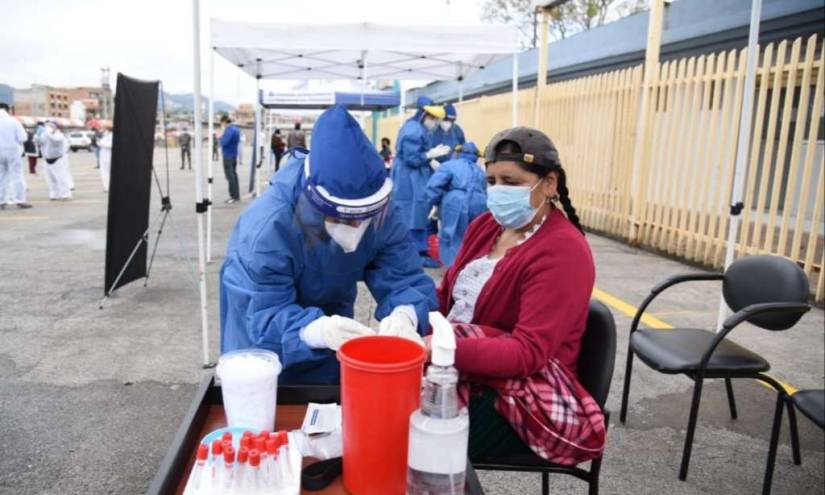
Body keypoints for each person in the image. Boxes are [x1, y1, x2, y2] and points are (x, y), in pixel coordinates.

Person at [220, 105, 436, 385]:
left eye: (364, 218)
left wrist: (406, 312)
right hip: (264, 349)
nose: (355, 228)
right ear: (315, 204)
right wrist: (314, 330)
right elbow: (261, 312)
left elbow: (403, 277)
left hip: (332, 330)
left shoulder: (382, 211)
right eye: (342, 218)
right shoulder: (267, 229)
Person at [432, 127, 604, 464]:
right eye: (492, 181)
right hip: (464, 366)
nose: (498, 192)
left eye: (511, 182)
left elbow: (527, 354)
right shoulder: (486, 226)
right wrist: (407, 317)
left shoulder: (563, 251)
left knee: (408, 435)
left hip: (518, 396)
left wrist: (441, 347)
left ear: (550, 184)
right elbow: (446, 297)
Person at [392, 96, 451, 268]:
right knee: (414, 213)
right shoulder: (413, 130)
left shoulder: (416, 127)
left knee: (414, 212)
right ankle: (416, 253)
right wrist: (428, 156)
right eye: (434, 119)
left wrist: (429, 159)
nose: (435, 123)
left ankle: (416, 250)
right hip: (410, 178)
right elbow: (411, 158)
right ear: (425, 115)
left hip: (412, 175)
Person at [425, 142, 487, 267]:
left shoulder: (449, 166)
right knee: (474, 237)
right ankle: (469, 268)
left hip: (455, 203)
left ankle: (452, 270)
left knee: (452, 236)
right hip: (480, 203)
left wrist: (435, 203)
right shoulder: (480, 171)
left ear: (459, 153)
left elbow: (434, 187)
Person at [0, 103, 32, 209]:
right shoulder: (14, 121)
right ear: (7, 110)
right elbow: (23, 138)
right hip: (12, 151)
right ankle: (20, 200)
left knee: (1, 177)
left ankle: (1, 201)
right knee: (16, 175)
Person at [35, 120, 72, 201]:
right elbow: (39, 142)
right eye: (47, 126)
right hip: (47, 159)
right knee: (51, 179)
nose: (48, 128)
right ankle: (54, 194)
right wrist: (37, 135)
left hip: (57, 159)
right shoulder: (45, 135)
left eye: (51, 126)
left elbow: (56, 141)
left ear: (55, 127)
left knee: (61, 177)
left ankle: (65, 194)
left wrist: (48, 133)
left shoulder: (59, 135)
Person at [218, 115, 241, 204]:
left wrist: (220, 137)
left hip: (227, 155)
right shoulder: (237, 129)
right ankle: (236, 195)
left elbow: (224, 142)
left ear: (224, 122)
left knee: (230, 177)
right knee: (234, 175)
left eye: (222, 123)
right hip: (234, 154)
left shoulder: (229, 130)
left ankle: (233, 196)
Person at [98, 127, 113, 193]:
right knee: (104, 172)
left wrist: (101, 143)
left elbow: (111, 145)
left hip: (108, 154)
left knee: (107, 171)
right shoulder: (105, 135)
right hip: (104, 155)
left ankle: (108, 187)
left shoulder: (111, 135)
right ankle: (106, 186)